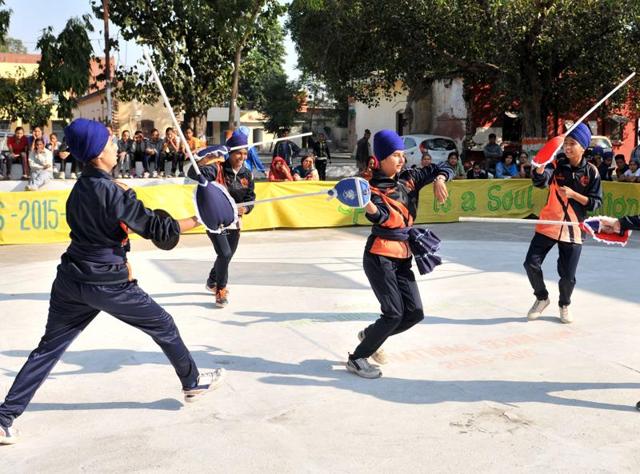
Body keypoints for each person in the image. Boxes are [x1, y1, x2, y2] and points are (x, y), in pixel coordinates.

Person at [0, 119, 225, 446]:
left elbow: (111, 233)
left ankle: (4, 417)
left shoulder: (79, 189)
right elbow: (158, 231)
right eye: (110, 143)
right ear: (95, 153)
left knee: (48, 349)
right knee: (163, 324)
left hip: (71, 279)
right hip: (107, 282)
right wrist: (204, 220)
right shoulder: (112, 192)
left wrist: (125, 255)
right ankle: (191, 383)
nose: (116, 147)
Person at [347, 129, 453, 379]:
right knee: (393, 313)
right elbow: (381, 217)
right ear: (381, 158)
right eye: (395, 155)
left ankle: (371, 335)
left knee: (415, 313)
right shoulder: (370, 187)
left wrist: (440, 179)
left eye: (402, 154)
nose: (401, 159)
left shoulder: (409, 178)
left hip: (403, 255)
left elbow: (443, 166)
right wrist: (368, 204)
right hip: (380, 256)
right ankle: (357, 358)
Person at [524, 123, 603, 324]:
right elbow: (540, 181)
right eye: (566, 143)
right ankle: (542, 298)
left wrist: (574, 194)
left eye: (572, 144)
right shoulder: (556, 163)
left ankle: (564, 304)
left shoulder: (592, 172)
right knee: (530, 263)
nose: (567, 148)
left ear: (583, 147)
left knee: (567, 276)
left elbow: (596, 203)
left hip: (574, 229)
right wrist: (541, 167)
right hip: (549, 223)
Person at [188, 131, 255, 308]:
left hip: (235, 220)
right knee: (224, 253)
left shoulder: (247, 175)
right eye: (238, 153)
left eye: (245, 153)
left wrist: (246, 208)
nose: (242, 157)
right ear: (230, 153)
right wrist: (204, 159)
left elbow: (251, 197)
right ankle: (220, 289)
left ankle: (211, 280)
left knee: (227, 255)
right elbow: (192, 174)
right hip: (216, 219)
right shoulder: (216, 168)